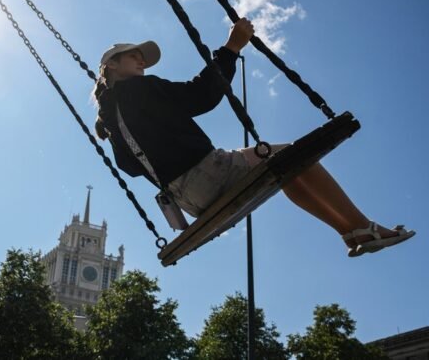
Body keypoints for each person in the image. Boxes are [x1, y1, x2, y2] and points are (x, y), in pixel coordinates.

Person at [92, 18, 415, 257]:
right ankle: (362, 225)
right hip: (208, 173)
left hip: (187, 201)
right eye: (133, 55)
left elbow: (132, 169)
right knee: (297, 155)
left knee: (285, 166)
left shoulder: (110, 119)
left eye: (141, 56)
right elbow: (201, 96)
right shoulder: (139, 89)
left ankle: (350, 232)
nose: (142, 60)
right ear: (113, 65)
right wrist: (232, 48)